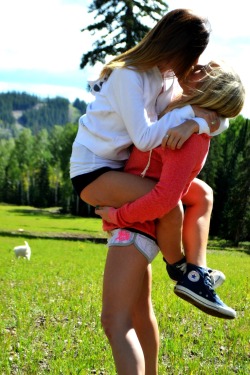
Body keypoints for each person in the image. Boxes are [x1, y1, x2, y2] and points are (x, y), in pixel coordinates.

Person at [96, 60, 245, 374]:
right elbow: (224, 118)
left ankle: (188, 272)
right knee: (139, 315)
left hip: (137, 224)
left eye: (207, 69)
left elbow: (164, 200)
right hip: (140, 219)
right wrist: (199, 122)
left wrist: (117, 215)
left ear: (209, 92)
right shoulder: (187, 116)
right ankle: (194, 272)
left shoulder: (186, 135)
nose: (199, 63)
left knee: (114, 320)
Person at [70, 9, 227, 292]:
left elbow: (222, 119)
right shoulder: (127, 75)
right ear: (177, 48)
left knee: (203, 193)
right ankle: (180, 270)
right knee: (169, 205)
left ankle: (198, 270)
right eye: (193, 55)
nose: (195, 63)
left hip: (123, 168)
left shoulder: (166, 77)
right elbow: (143, 139)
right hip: (94, 170)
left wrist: (195, 124)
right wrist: (192, 113)